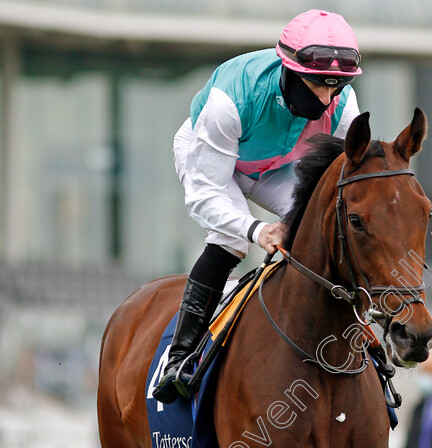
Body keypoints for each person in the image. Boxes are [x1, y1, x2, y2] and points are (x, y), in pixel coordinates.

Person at [153, 9, 362, 403]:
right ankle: (179, 357)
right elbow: (205, 196)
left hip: (277, 166)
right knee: (230, 240)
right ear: (289, 70)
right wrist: (257, 229)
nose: (325, 98)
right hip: (214, 161)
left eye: (335, 87)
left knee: (321, 225)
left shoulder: (343, 105)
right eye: (316, 84)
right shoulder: (228, 101)